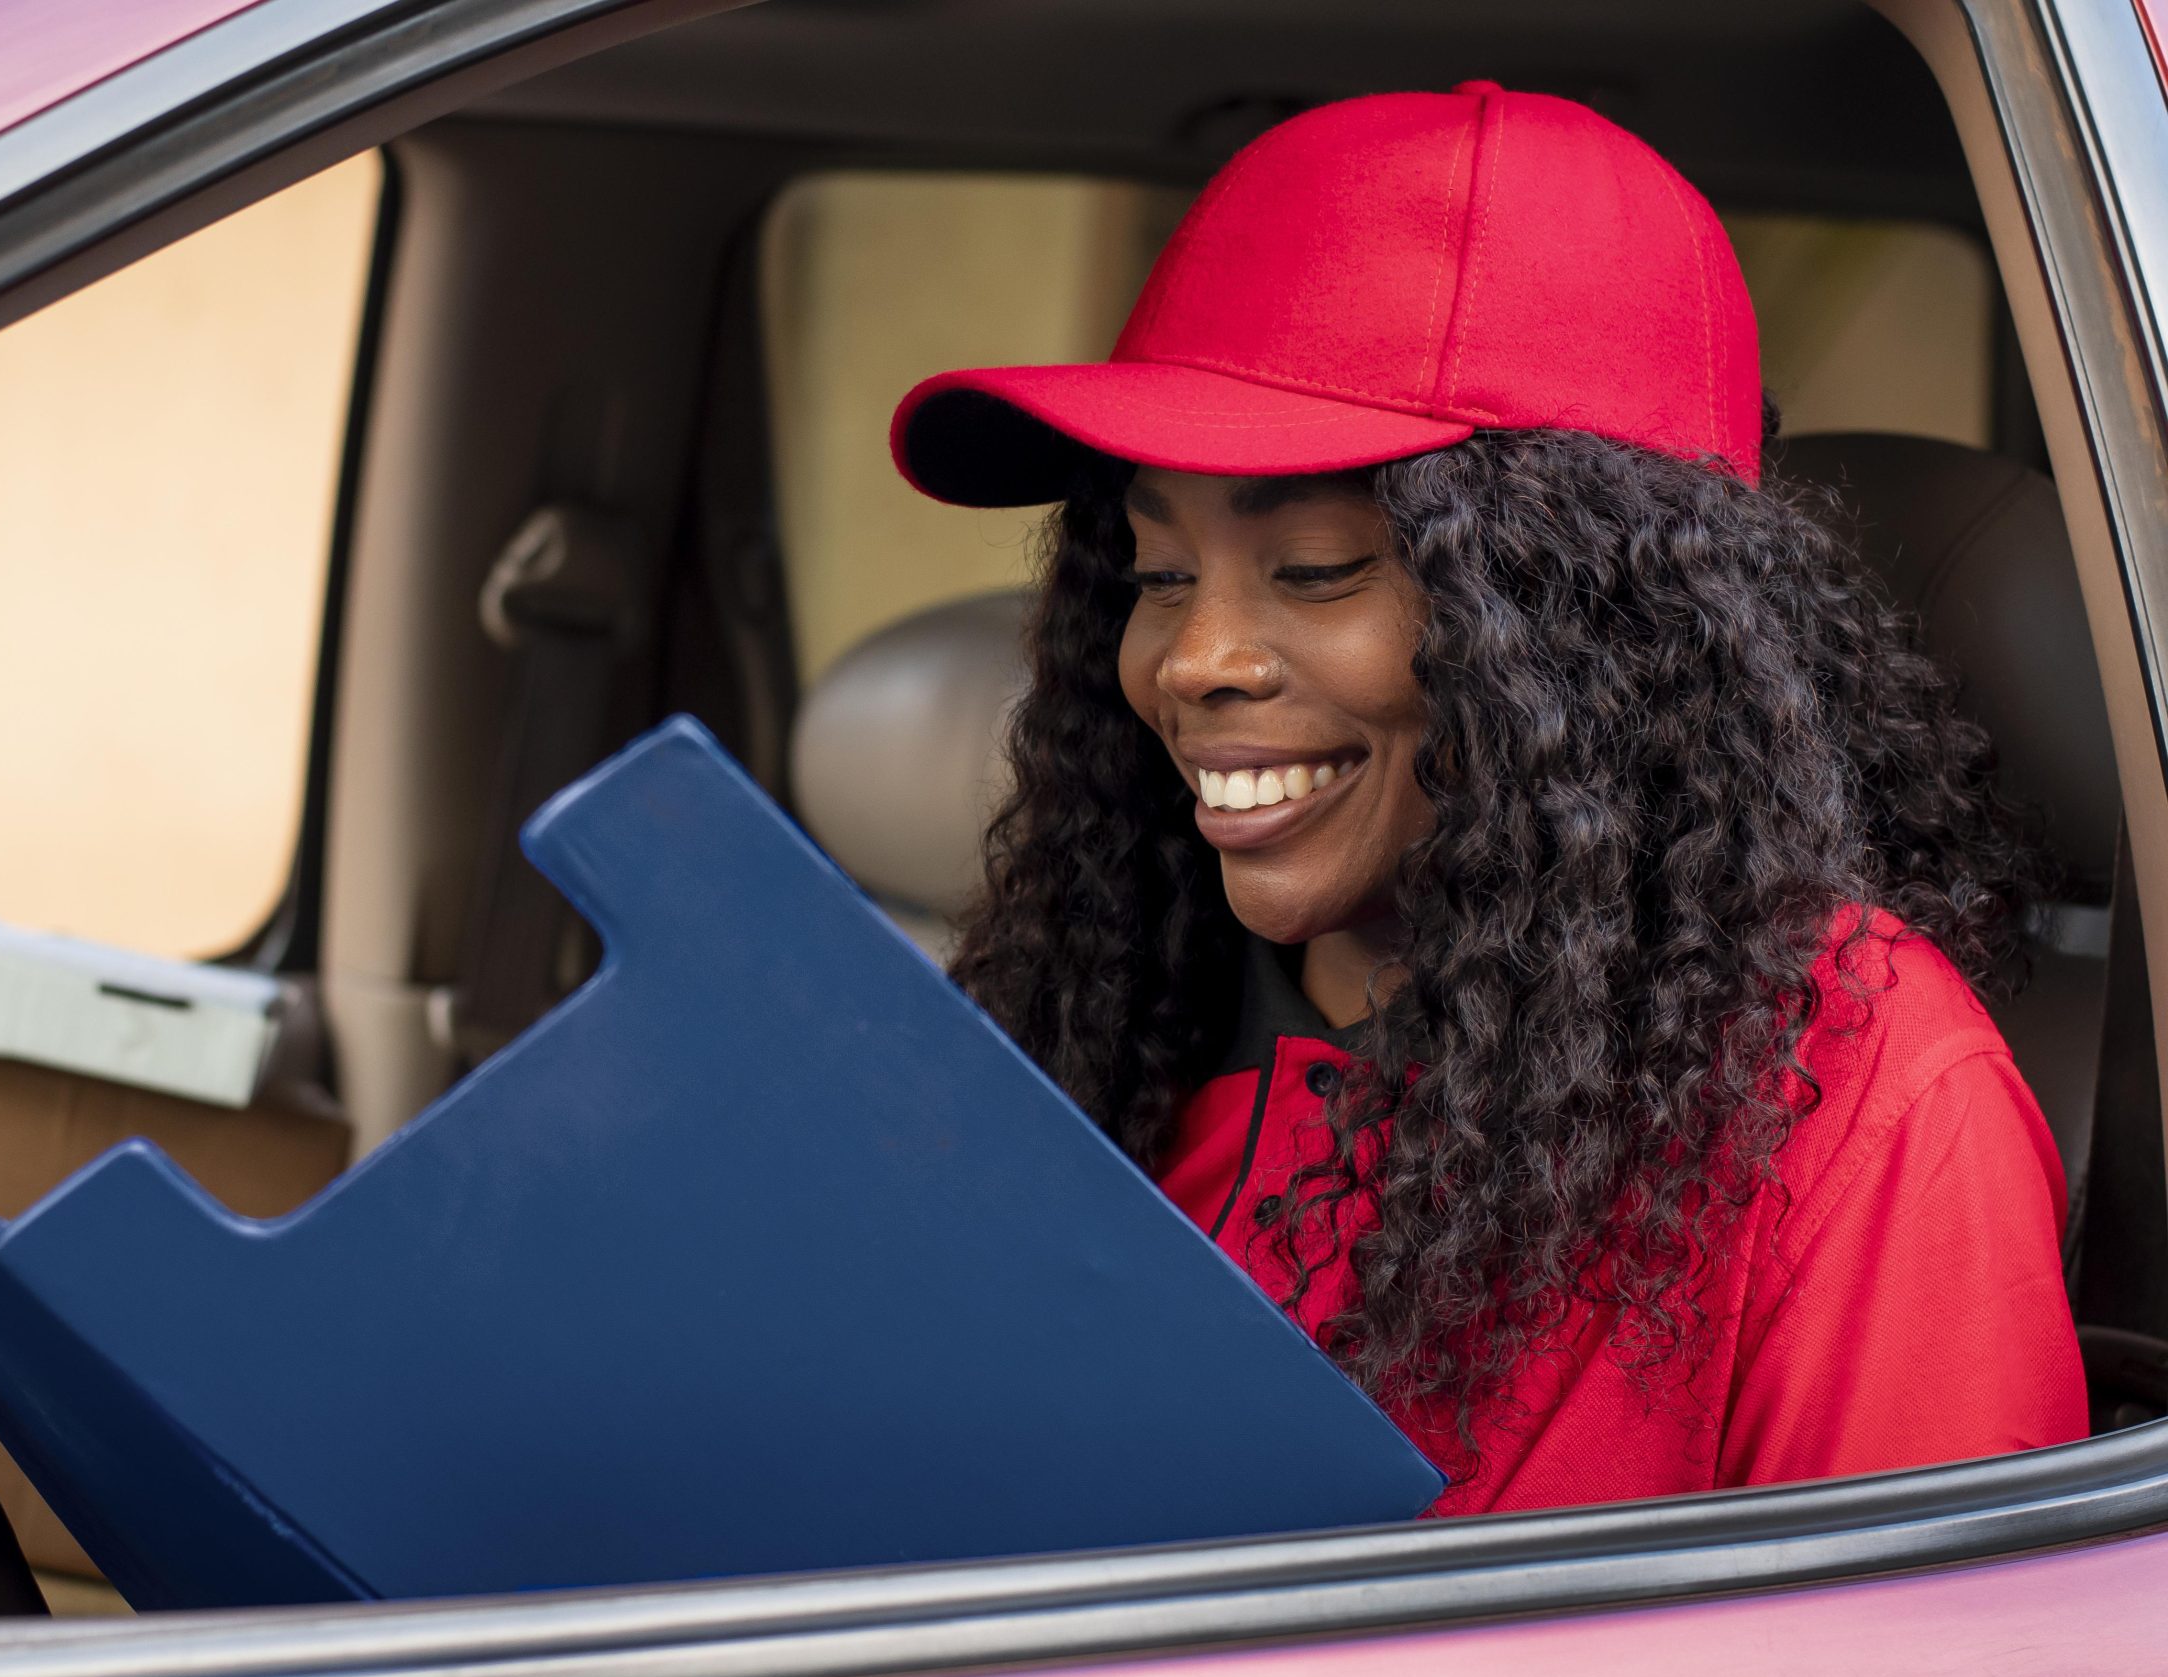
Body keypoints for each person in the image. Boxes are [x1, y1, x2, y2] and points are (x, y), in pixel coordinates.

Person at [887, 83, 2087, 1515]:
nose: (1195, 660)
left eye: (1319, 569)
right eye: (1155, 574)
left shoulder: (1850, 1096)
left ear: (1597, 621)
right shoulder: (1099, 1022)